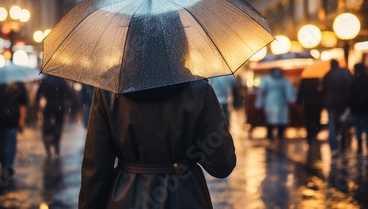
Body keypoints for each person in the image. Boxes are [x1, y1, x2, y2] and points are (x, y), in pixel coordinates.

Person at [78, 81, 236, 208]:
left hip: (125, 199)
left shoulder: (108, 92)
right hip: (186, 196)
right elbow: (222, 165)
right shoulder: (200, 91)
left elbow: (96, 169)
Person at [0, 81, 28, 175]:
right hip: (13, 117)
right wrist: (22, 119)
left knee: (1, 139)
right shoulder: (18, 84)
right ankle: (8, 163)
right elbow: (24, 102)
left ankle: (2, 161)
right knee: (11, 140)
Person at [36, 75, 74, 159]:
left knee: (47, 122)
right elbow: (69, 94)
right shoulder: (61, 80)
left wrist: (38, 104)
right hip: (59, 106)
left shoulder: (45, 80)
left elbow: (38, 94)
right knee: (59, 124)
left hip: (48, 105)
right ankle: (56, 142)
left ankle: (48, 135)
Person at [321, 59, 352, 156]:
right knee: (344, 124)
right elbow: (350, 87)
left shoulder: (327, 75)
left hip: (331, 104)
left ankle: (334, 147)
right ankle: (343, 146)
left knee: (332, 126)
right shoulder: (345, 72)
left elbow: (323, 91)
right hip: (344, 103)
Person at [256, 67, 295, 140]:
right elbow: (289, 92)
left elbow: (262, 92)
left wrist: (259, 103)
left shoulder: (267, 80)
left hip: (270, 102)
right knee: (280, 120)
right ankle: (279, 136)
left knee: (271, 120)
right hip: (281, 102)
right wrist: (291, 100)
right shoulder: (284, 81)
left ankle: (270, 136)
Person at [348, 63, 368, 154]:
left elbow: (350, 95)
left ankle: (360, 145)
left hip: (356, 107)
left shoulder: (353, 80)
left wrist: (351, 105)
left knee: (358, 127)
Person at [297, 77, 323, 144]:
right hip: (317, 104)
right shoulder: (318, 81)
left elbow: (300, 92)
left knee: (308, 120)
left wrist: (299, 102)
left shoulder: (304, 81)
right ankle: (314, 133)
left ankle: (310, 135)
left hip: (308, 103)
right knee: (316, 119)